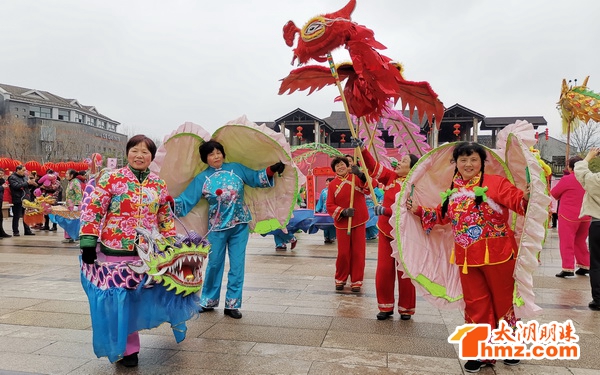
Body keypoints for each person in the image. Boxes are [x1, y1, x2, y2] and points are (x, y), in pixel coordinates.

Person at [407, 142, 528, 372]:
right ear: (456, 164)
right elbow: (441, 216)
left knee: (503, 302)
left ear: (482, 162)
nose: (468, 164)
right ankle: (481, 352)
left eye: (473, 159)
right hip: (465, 258)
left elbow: (516, 201)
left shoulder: (496, 183)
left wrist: (527, 198)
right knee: (475, 305)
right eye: (463, 160)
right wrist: (419, 211)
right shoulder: (452, 190)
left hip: (498, 255)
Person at [79, 135, 176, 367]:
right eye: (135, 150)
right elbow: (93, 209)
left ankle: (129, 341)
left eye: (145, 151)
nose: (139, 155)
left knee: (137, 299)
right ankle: (127, 349)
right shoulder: (111, 179)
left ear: (152, 157)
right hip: (115, 250)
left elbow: (165, 218)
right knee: (118, 300)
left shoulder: (158, 184)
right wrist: (88, 242)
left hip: (147, 252)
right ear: (127, 153)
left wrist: (170, 244)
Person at [173, 140, 284, 319]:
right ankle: (208, 300)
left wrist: (271, 170)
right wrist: (169, 203)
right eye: (211, 154)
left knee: (237, 265)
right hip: (216, 228)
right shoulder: (202, 178)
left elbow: (256, 178)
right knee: (215, 264)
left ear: (223, 154)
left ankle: (232, 304)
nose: (216, 156)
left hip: (240, 225)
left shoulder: (236, 169)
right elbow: (186, 200)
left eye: (218, 152)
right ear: (205, 158)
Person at [358, 144, 418, 321]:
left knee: (404, 271)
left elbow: (408, 209)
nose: (399, 163)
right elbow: (374, 167)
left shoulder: (415, 185)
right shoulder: (390, 177)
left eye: (404, 161)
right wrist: (362, 149)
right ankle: (385, 306)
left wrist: (386, 211)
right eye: (399, 160)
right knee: (384, 270)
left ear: (412, 167)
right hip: (385, 230)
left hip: (406, 234)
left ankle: (406, 308)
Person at [326, 156, 369, 292]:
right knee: (343, 253)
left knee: (358, 252)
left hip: (359, 219)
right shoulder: (332, 185)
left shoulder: (356, 178)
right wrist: (343, 212)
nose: (340, 167)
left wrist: (361, 175)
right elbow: (329, 205)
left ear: (348, 166)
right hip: (343, 222)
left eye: (342, 164)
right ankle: (340, 279)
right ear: (334, 169)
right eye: (337, 165)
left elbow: (371, 187)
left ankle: (356, 281)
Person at [551, 156, 591, 277]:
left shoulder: (567, 179)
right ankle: (585, 265)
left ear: (570, 167)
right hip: (586, 215)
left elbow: (554, 193)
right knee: (580, 241)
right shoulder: (588, 178)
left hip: (568, 215)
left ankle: (568, 268)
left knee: (567, 241)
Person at [574, 147, 600, 311]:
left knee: (597, 264)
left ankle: (598, 299)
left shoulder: (595, 180)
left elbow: (580, 171)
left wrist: (588, 157)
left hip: (598, 223)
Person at [8, 165, 37, 236]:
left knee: (26, 215)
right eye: (23, 170)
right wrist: (27, 183)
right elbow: (16, 186)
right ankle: (15, 231)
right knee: (17, 216)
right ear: (18, 170)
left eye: (25, 170)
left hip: (26, 198)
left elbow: (27, 187)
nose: (24, 172)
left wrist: (32, 184)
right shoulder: (12, 177)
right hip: (17, 198)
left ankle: (27, 230)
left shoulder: (25, 177)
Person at [315, 177, 336, 243]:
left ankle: (332, 237)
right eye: (326, 182)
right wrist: (317, 209)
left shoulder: (336, 190)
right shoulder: (323, 191)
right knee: (326, 224)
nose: (326, 183)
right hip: (324, 210)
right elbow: (320, 201)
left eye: (328, 182)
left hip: (333, 210)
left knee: (332, 224)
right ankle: (326, 237)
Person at [0, 168, 11, 238]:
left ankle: (1, 232)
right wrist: (2, 187)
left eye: (2, 173)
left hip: (0, 200)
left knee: (0, 217)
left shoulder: (2, 180)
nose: (0, 174)